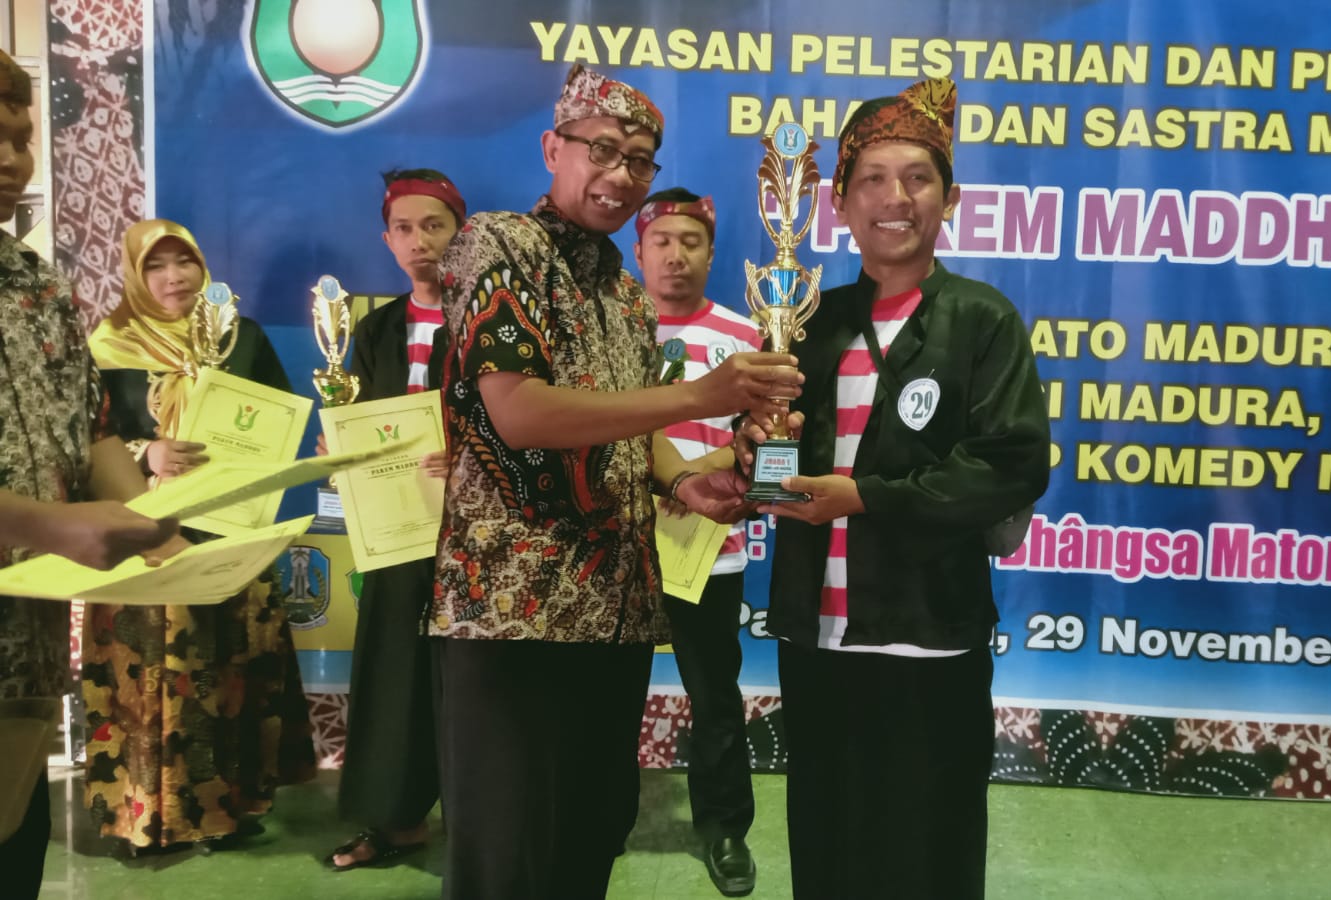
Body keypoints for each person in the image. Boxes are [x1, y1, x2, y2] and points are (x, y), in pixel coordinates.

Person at [428, 63, 800, 899]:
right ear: (552, 148)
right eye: (601, 149)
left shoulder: (627, 299)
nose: (621, 174)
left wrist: (683, 483)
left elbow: (632, 427)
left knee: (590, 835)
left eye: (639, 160)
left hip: (615, 610)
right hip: (513, 611)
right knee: (508, 853)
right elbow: (519, 411)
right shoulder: (498, 245)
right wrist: (701, 396)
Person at [736, 78, 1050, 900]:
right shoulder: (808, 320)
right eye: (872, 178)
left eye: (918, 177)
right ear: (839, 201)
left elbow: (1012, 464)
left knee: (926, 849)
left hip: (927, 634)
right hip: (816, 634)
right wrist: (755, 459)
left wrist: (864, 497)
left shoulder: (981, 319)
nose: (895, 198)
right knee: (827, 840)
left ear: (951, 198)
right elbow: (773, 464)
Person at [0, 50, 180, 900]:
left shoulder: (35, 284)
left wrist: (151, 520)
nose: (11, 158)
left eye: (22, 136)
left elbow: (93, 429)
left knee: (16, 855)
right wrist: (52, 525)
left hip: (23, 654)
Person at [82, 218, 317, 852]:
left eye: (183, 261)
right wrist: (146, 453)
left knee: (228, 669)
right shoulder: (107, 344)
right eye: (155, 266)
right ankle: (144, 817)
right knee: (150, 674)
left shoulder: (240, 336)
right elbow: (84, 436)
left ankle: (227, 810)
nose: (173, 277)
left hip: (229, 525)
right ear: (135, 275)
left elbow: (278, 419)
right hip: (143, 531)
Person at [325, 167, 463, 872]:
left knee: (470, 682)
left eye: (433, 226)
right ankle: (394, 820)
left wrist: (469, 454)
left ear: (460, 233)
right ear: (386, 241)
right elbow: (359, 419)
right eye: (404, 229)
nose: (419, 241)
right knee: (392, 672)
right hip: (395, 531)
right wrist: (340, 449)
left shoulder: (490, 324)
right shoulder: (375, 330)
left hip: (472, 533)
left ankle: (480, 827)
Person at [634, 187, 760, 895]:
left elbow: (767, 447)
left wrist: (725, 483)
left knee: (713, 694)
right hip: (619, 547)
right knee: (605, 693)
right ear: (638, 251)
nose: (675, 255)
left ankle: (724, 829)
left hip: (708, 546)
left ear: (712, 253)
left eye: (691, 242)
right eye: (662, 241)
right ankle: (602, 816)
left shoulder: (746, 337)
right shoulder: (613, 329)